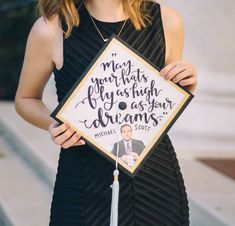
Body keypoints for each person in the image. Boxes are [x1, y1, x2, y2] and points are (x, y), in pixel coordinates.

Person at [15, 0, 197, 225]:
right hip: (82, 184)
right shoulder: (50, 28)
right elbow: (26, 99)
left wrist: (185, 81)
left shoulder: (168, 21)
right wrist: (53, 124)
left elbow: (167, 97)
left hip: (156, 184)